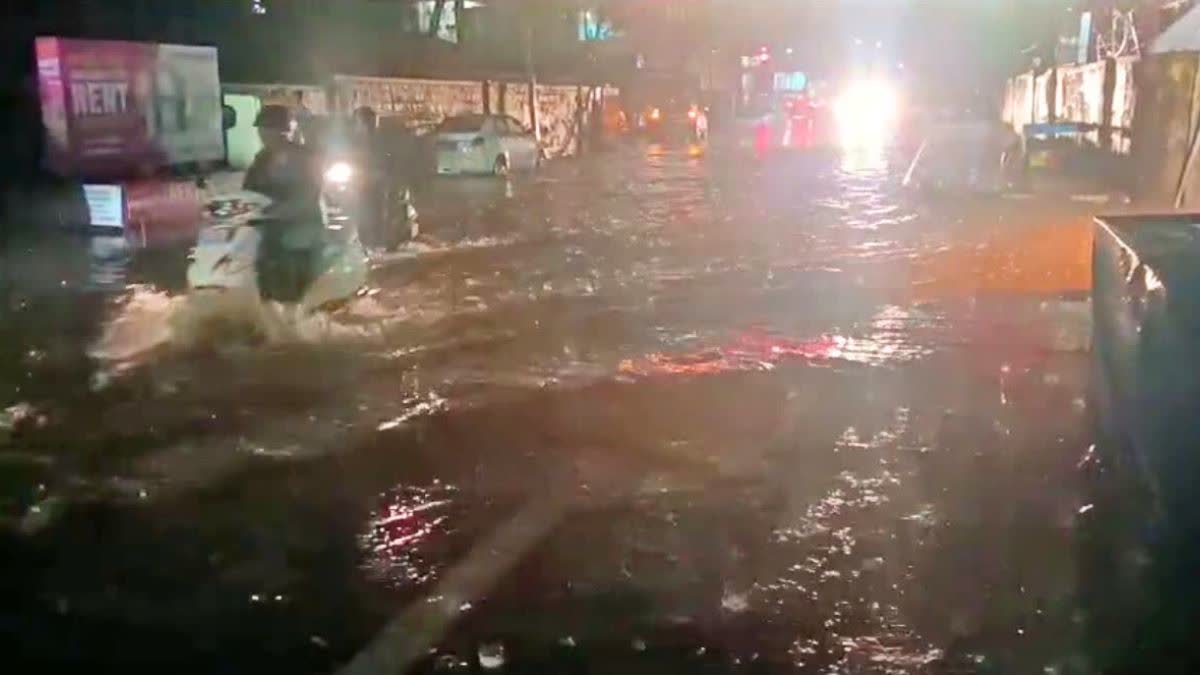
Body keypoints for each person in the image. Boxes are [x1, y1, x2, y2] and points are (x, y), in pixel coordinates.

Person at [243, 104, 325, 303]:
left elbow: (311, 193)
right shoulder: (262, 159)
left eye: (268, 130)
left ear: (285, 131)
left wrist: (281, 210)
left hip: (302, 225)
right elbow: (249, 191)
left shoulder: (305, 157)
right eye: (261, 130)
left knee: (297, 280)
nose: (263, 135)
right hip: (271, 226)